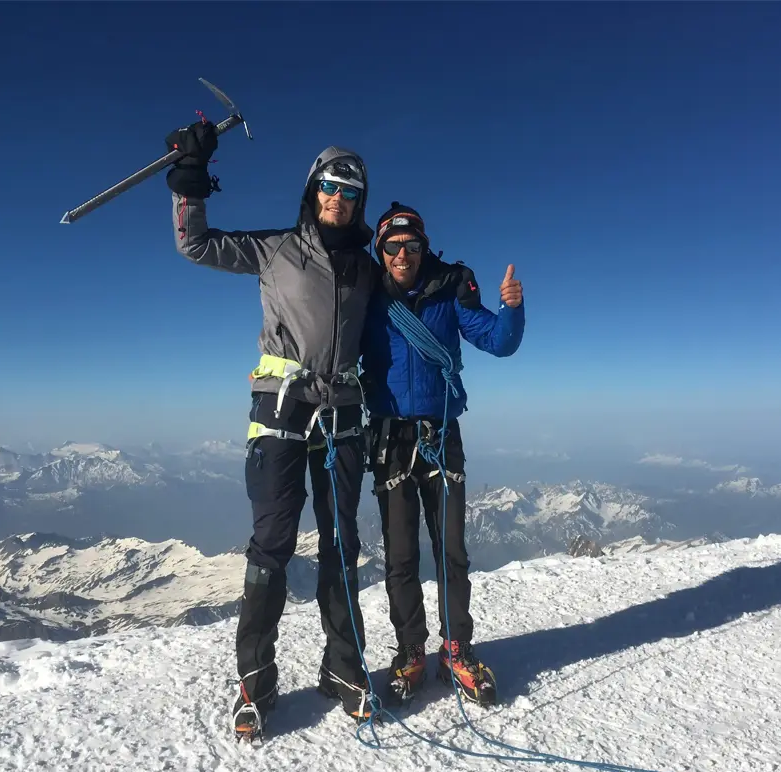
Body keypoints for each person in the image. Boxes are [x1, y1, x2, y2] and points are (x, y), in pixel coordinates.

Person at [164, 119, 382, 739]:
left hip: (341, 414)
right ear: (313, 190)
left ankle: (343, 670)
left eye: (350, 192)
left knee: (341, 543)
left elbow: (402, 306)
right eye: (330, 187)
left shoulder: (367, 270)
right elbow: (195, 245)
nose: (339, 198)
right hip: (281, 410)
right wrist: (190, 178)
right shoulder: (276, 249)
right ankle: (254, 685)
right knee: (272, 544)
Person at [359, 203, 525, 708]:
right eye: (392, 246)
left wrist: (511, 308)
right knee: (401, 554)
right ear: (380, 250)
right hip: (391, 440)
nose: (402, 254)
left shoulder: (449, 289)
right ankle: (411, 649)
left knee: (451, 550)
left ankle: (455, 648)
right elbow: (333, 343)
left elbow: (499, 341)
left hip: (440, 435)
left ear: (423, 248)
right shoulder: (367, 296)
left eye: (411, 245)